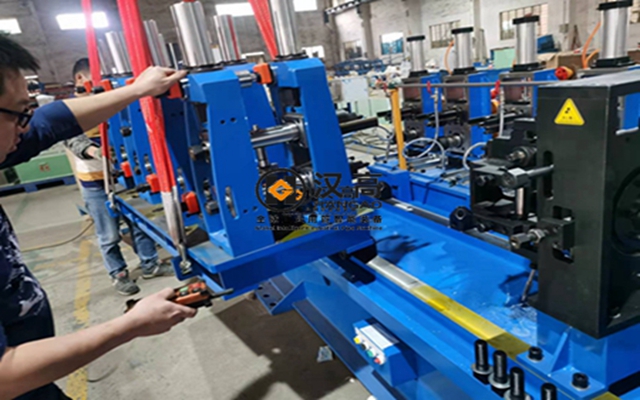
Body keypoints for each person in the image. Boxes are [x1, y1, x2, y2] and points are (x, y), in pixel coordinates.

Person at [0, 35, 196, 400]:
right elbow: (4, 377)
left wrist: (137, 90)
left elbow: (50, 123)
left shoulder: (11, 134)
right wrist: (131, 325)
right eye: (19, 112)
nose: (26, 126)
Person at [65, 58, 172, 296]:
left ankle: (150, 263)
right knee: (109, 233)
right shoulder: (72, 109)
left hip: (126, 177)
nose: (103, 84)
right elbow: (73, 140)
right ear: (80, 79)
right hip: (96, 182)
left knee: (139, 222)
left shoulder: (110, 100)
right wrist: (95, 152)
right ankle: (119, 273)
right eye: (97, 79)